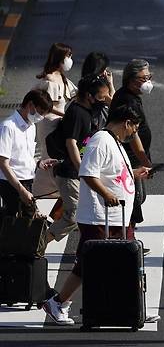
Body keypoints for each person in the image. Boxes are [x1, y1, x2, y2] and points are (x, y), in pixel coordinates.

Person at [42, 105, 151, 325]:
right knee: (88, 264)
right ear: (126, 122)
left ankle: (134, 307)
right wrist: (107, 194)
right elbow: (87, 173)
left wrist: (135, 174)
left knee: (128, 262)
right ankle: (58, 302)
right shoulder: (101, 140)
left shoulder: (114, 142)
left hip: (117, 216)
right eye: (134, 128)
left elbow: (112, 173)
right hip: (100, 216)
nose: (134, 134)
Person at [46, 75, 111, 244]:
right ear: (89, 96)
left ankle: (86, 249)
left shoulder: (88, 111)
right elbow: (71, 143)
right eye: (101, 97)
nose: (103, 101)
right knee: (72, 216)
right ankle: (38, 243)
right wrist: (82, 170)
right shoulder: (77, 112)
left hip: (78, 172)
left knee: (87, 215)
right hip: (70, 174)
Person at [109, 59, 154, 234]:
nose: (148, 82)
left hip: (136, 159)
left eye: (149, 77)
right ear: (131, 79)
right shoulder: (127, 101)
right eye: (144, 78)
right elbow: (132, 134)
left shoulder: (131, 97)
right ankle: (126, 239)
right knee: (133, 199)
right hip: (130, 159)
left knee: (138, 197)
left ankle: (127, 237)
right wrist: (145, 160)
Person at [0, 90, 58, 220]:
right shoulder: (8, 127)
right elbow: (3, 163)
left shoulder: (31, 126)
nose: (41, 117)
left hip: (27, 180)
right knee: (21, 221)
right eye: (40, 112)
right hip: (11, 183)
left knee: (22, 222)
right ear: (30, 105)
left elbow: (24, 155)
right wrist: (21, 190)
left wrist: (38, 163)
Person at [32, 43, 77, 198]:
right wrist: (66, 115)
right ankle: (44, 190)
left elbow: (73, 95)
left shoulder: (62, 77)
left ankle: (52, 190)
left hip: (60, 123)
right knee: (49, 155)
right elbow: (48, 106)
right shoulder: (50, 79)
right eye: (68, 56)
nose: (70, 59)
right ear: (60, 58)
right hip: (49, 124)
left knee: (58, 155)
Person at [81, 52, 115, 131]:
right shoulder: (96, 85)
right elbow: (113, 103)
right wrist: (110, 83)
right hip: (97, 123)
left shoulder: (85, 82)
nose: (105, 72)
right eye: (104, 69)